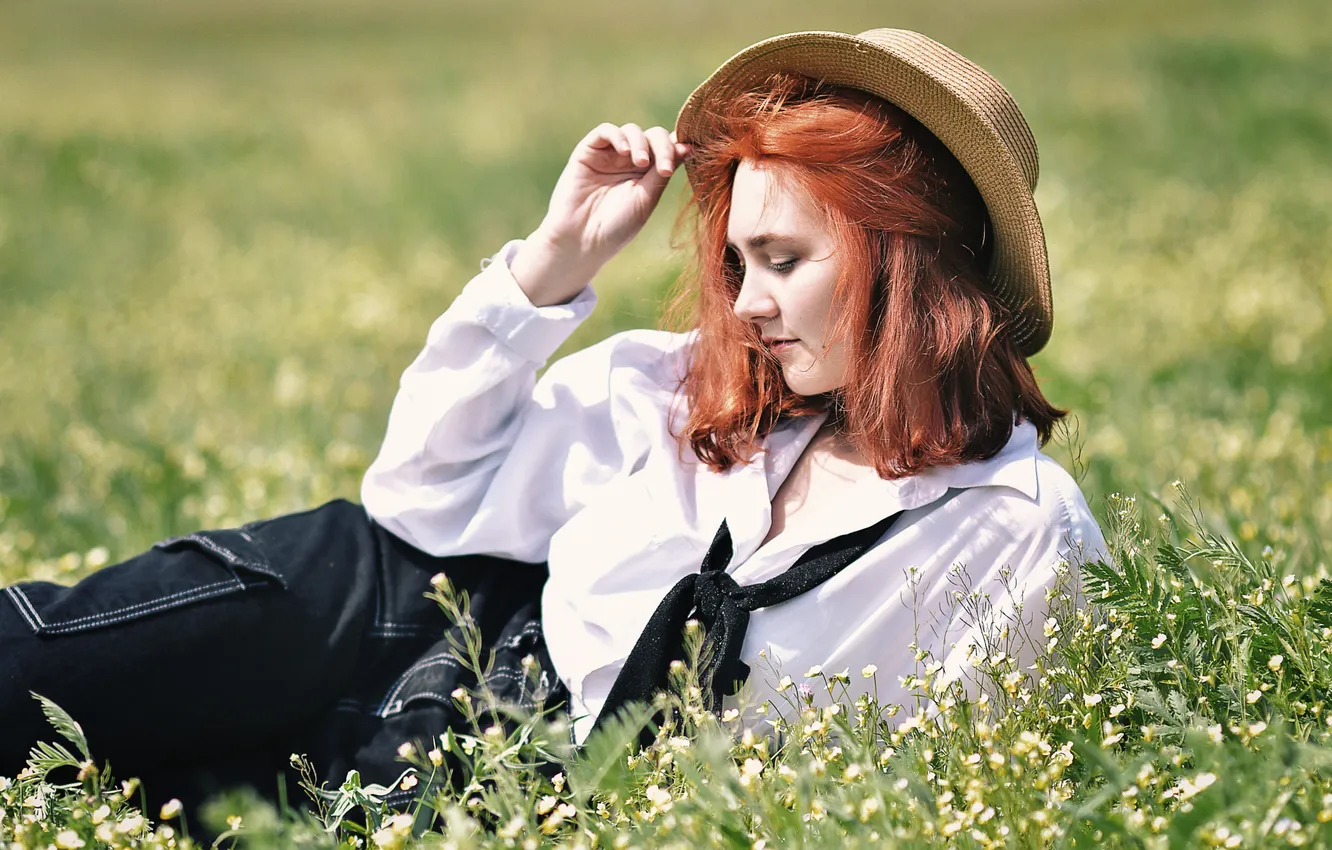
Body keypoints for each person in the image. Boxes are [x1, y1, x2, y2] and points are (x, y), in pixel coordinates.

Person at [0, 27, 1106, 812]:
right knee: (33, 678)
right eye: (736, 260)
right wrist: (552, 266)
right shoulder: (698, 395)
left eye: (785, 259)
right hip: (391, 617)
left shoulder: (1012, 532)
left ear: (905, 258)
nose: (747, 300)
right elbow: (418, 498)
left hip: (477, 788)